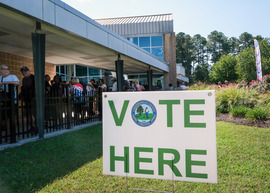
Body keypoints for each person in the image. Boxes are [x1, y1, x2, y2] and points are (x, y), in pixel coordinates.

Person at [20, 66, 36, 135]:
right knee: (28, 114)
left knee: (35, 113)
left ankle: (37, 127)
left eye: (25, 71)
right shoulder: (24, 79)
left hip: (33, 98)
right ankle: (32, 127)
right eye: (23, 72)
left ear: (28, 71)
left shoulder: (33, 77)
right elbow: (23, 88)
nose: (24, 73)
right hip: (27, 99)